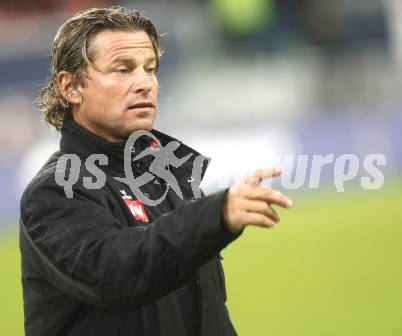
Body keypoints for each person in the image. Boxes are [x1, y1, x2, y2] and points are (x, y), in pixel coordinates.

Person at [19, 6, 292, 336]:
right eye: (123, 70)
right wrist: (213, 215)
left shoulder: (167, 176)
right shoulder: (54, 192)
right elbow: (114, 273)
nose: (144, 83)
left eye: (150, 69)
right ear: (70, 87)